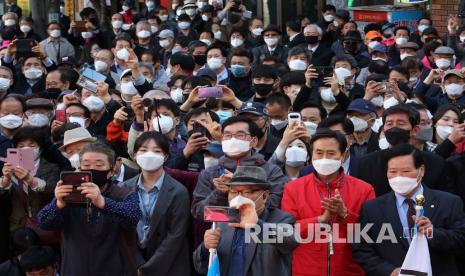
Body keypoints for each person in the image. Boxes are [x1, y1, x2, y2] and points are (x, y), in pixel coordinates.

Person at [352, 143, 465, 276]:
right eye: (393, 171)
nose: (399, 177)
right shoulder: (372, 208)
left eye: (406, 171)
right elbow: (361, 249)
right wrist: (389, 271)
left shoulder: (449, 202)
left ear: (421, 171)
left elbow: (461, 241)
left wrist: (433, 233)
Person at [37, 142, 141, 276]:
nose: (91, 169)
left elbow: (133, 217)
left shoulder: (124, 194)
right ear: (79, 168)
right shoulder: (69, 193)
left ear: (110, 171)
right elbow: (44, 223)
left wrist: (103, 203)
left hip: (114, 269)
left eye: (98, 165)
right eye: (86, 165)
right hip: (74, 269)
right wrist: (58, 204)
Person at [282, 128, 375, 275]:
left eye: (331, 153)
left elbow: (372, 232)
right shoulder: (293, 188)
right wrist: (320, 220)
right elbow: (287, 230)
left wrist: (344, 214)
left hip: (350, 270)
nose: (324, 158)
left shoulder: (364, 189)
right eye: (318, 153)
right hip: (306, 269)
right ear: (310, 155)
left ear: (343, 156)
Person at [193, 166, 299, 275]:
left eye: (248, 192)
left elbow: (291, 241)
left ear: (265, 196)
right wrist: (206, 248)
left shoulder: (281, 219)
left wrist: (257, 225)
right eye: (234, 192)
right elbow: (200, 266)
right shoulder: (222, 220)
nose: (240, 197)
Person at [191, 116, 288, 220]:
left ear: (253, 141)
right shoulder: (210, 173)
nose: (233, 139)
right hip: (222, 233)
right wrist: (220, 193)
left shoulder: (271, 171)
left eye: (240, 135)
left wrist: (241, 186)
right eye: (227, 135)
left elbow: (275, 205)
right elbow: (199, 212)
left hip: (259, 231)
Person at [120, 131, 191, 275]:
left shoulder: (179, 191)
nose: (149, 155)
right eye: (144, 150)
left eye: (156, 151)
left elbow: (176, 235)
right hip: (133, 265)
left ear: (165, 157)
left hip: (170, 265)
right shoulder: (123, 188)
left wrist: (148, 270)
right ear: (135, 155)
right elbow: (123, 231)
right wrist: (138, 265)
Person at [354, 104, 446, 196]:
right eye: (389, 124)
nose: (394, 128)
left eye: (400, 123)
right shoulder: (366, 164)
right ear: (383, 129)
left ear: (415, 130)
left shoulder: (435, 163)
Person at [0, 127, 60, 235]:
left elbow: (52, 190)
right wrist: (5, 180)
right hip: (17, 225)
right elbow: (3, 195)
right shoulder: (11, 167)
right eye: (21, 146)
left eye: (32, 146)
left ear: (40, 148)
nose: (26, 149)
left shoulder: (52, 167)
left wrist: (30, 180)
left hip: (44, 225)